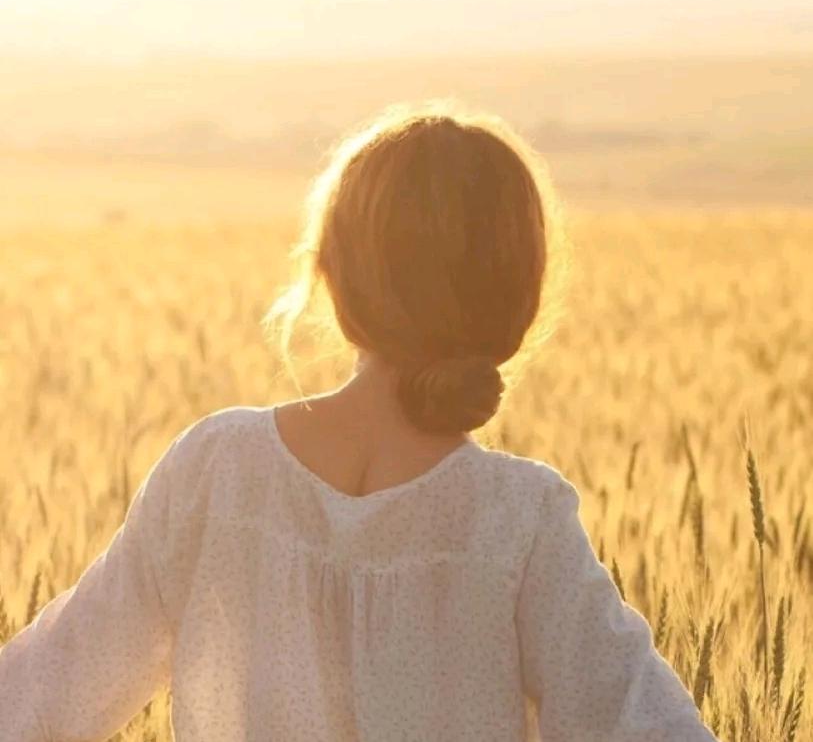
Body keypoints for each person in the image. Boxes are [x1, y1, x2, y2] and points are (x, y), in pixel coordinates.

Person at [0, 100, 718, 741]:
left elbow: (40, 696)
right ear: (515, 296)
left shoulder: (216, 470)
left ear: (333, 273)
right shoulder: (516, 519)